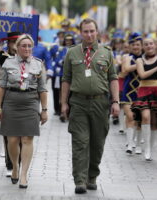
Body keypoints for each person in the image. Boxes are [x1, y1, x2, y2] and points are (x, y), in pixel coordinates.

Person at [60, 18, 120, 194]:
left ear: (97, 32)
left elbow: (113, 78)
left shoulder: (106, 53)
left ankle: (92, 176)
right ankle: (79, 180)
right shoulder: (72, 53)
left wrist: (115, 102)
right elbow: (66, 79)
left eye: (92, 31)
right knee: (80, 142)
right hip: (78, 103)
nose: (89, 34)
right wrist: (63, 103)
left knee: (97, 143)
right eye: (85, 31)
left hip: (100, 103)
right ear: (81, 32)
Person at [0, 34, 48, 189]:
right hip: (11, 102)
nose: (27, 49)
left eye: (29, 46)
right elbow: (1, 86)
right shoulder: (7, 63)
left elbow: (42, 89)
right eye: (23, 46)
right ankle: (15, 167)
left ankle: (24, 174)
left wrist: (44, 110)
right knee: (12, 140)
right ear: (17, 47)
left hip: (31, 102)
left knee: (27, 139)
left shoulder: (38, 64)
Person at [131, 38, 157, 161]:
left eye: (151, 43)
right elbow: (142, 75)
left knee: (155, 122)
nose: (149, 46)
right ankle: (146, 148)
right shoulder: (139, 60)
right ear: (143, 47)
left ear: (155, 45)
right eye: (146, 44)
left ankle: (150, 148)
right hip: (144, 90)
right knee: (145, 117)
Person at [0, 31, 22, 177]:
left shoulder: (26, 56)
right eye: (13, 42)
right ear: (9, 44)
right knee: (8, 132)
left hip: (22, 96)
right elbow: (4, 61)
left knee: (21, 134)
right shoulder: (3, 56)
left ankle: (18, 162)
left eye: (18, 42)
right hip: (6, 95)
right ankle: (10, 163)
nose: (15, 45)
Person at [121, 33, 143, 154]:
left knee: (140, 119)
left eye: (138, 44)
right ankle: (129, 144)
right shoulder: (126, 57)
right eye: (133, 44)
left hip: (142, 91)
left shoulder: (146, 57)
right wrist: (140, 64)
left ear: (141, 45)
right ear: (130, 46)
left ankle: (138, 144)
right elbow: (125, 69)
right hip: (128, 90)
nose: (136, 47)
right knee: (130, 117)